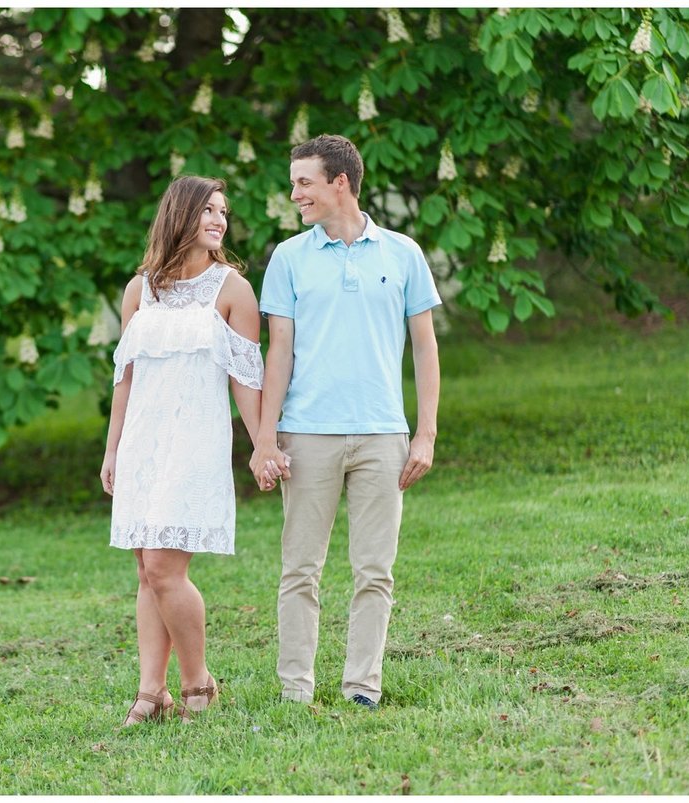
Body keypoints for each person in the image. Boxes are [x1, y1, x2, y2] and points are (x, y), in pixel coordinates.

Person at [250, 134, 442, 710]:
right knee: (300, 570)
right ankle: (296, 692)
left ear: (340, 183)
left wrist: (426, 432)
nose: (294, 194)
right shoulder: (288, 258)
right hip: (307, 435)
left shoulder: (403, 253)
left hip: (384, 435)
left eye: (303, 182)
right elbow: (277, 351)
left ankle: (363, 687)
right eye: (293, 183)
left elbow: (426, 348)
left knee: (375, 571)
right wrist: (265, 436)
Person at [101, 175, 265, 726]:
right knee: (146, 571)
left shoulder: (233, 291)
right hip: (143, 442)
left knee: (167, 568)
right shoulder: (139, 289)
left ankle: (198, 683)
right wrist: (113, 450)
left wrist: (261, 443)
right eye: (208, 211)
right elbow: (125, 376)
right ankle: (152, 693)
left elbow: (247, 377)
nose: (219, 220)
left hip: (194, 442)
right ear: (180, 216)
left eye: (223, 212)